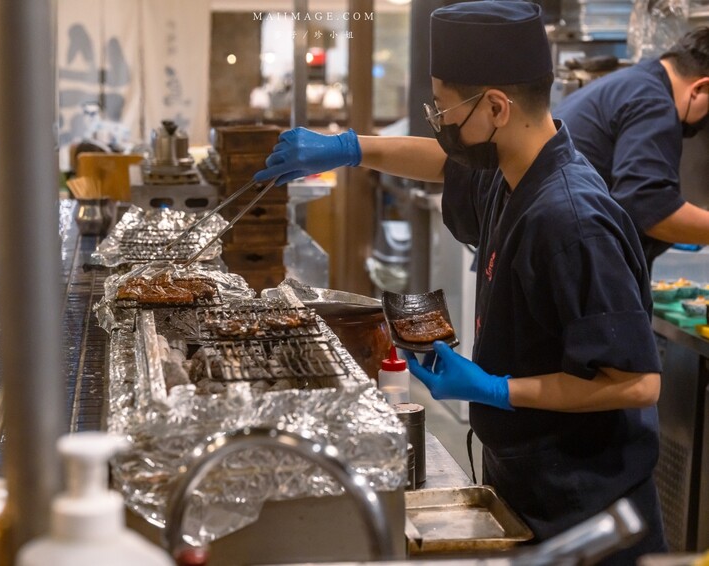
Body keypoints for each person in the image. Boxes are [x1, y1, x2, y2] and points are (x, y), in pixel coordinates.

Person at [254, 1, 666, 563]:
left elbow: (637, 383)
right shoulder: (512, 173)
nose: (438, 122)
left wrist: (495, 389)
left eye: (443, 109)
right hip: (528, 487)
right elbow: (444, 165)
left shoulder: (571, 221)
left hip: (587, 513)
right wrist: (349, 148)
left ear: (496, 107)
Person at [553, 27, 709, 271]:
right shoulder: (653, 102)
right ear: (700, 88)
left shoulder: (634, 82)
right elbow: (651, 209)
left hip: (549, 249)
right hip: (569, 259)